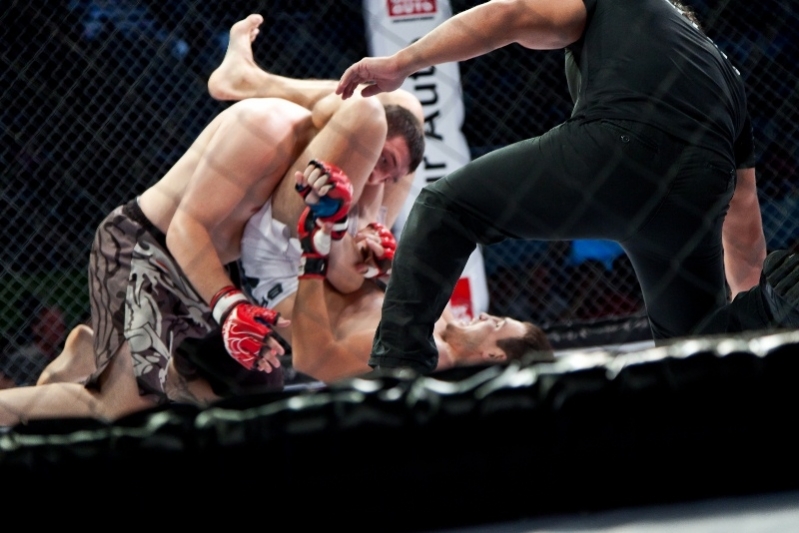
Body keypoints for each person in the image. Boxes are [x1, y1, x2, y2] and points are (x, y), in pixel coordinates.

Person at [0, 14, 426, 427]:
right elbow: (186, 230)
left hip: (214, 275)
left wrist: (365, 242)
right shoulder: (263, 128)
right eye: (380, 163)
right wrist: (230, 306)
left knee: (246, 399)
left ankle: (93, 355)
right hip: (150, 254)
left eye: (388, 175)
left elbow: (385, 117)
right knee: (120, 410)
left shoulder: (324, 169)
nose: (375, 179)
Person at [335, 0, 792, 374]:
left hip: (624, 143)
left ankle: (397, 379)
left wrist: (402, 62)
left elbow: (511, 14)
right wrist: (762, 321)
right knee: (697, 353)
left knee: (446, 208)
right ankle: (783, 305)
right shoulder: (726, 75)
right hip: (697, 196)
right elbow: (744, 216)